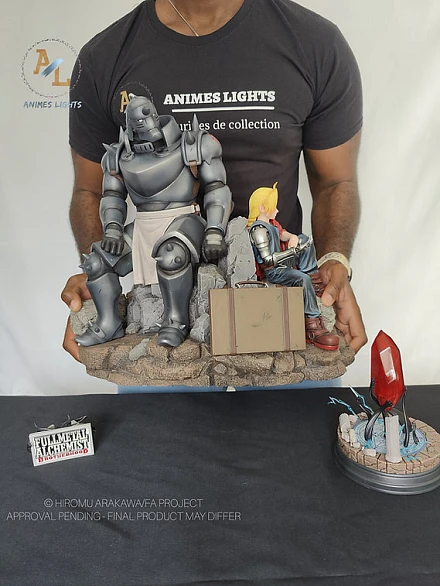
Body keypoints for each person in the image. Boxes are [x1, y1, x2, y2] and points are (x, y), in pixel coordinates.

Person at [62, 0, 367, 362]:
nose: (141, 126)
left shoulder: (315, 44)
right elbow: (92, 190)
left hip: (265, 294)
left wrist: (333, 263)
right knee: (98, 263)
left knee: (173, 255)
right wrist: (97, 281)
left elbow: (334, 183)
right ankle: (111, 322)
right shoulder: (104, 57)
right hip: (147, 256)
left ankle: (176, 320)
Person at [247, 182, 339, 351]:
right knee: (302, 279)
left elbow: (282, 234)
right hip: (274, 271)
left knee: (303, 239)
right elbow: (267, 260)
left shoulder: (272, 224)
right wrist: (293, 252)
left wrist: (293, 239)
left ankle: (313, 280)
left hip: (283, 264)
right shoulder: (259, 230)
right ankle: (313, 324)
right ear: (262, 207)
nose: (277, 210)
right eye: (273, 206)